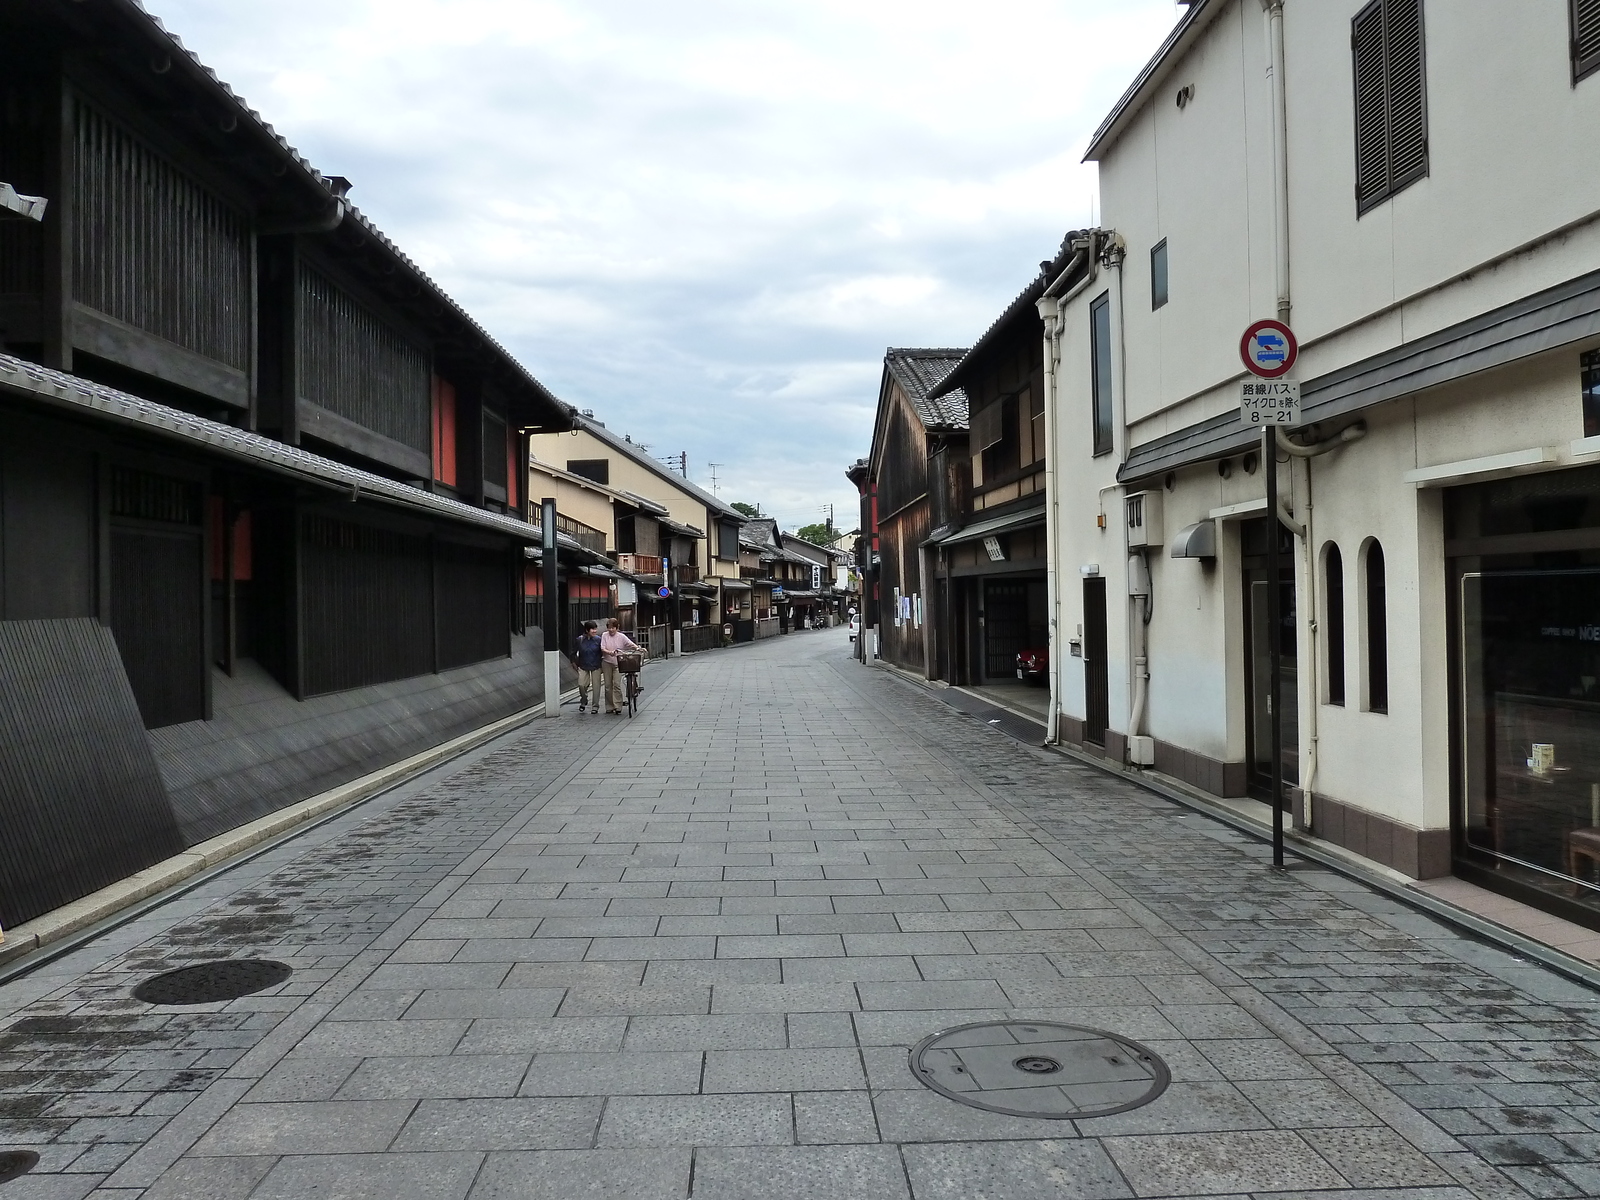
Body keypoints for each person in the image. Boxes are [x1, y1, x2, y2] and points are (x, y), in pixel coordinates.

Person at [599, 618, 642, 715]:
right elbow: (602, 647)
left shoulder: (621, 636)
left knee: (616, 684)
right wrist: (610, 652)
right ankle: (609, 706)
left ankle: (618, 705)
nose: (611, 630)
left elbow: (630, 644)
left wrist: (638, 648)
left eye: (613, 628)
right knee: (607, 686)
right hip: (606, 662)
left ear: (617, 628)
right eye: (609, 628)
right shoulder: (604, 635)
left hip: (619, 662)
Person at [571, 620, 603, 714]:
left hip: (596, 665)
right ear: (587, 630)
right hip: (583, 665)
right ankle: (584, 699)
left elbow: (602, 652)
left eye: (595, 628)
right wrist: (573, 662)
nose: (594, 631)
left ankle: (595, 706)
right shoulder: (580, 640)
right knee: (581, 685)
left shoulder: (598, 640)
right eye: (592, 629)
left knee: (596, 687)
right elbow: (573, 652)